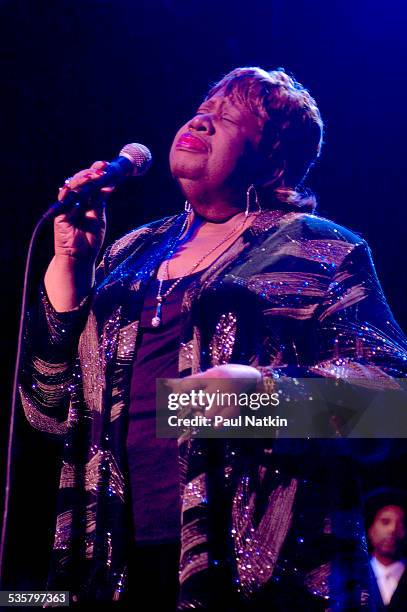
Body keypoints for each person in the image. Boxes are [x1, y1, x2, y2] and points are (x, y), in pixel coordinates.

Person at [18, 67, 407, 610]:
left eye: (228, 119)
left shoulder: (319, 250)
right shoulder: (130, 254)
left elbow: (391, 400)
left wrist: (261, 400)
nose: (202, 119)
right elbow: (48, 413)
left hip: (251, 572)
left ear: (273, 160)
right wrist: (71, 268)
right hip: (111, 565)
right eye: (203, 108)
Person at [365, 488, 407, 610]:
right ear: (370, 529)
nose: (393, 530)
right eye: (385, 522)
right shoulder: (351, 576)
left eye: (402, 524)